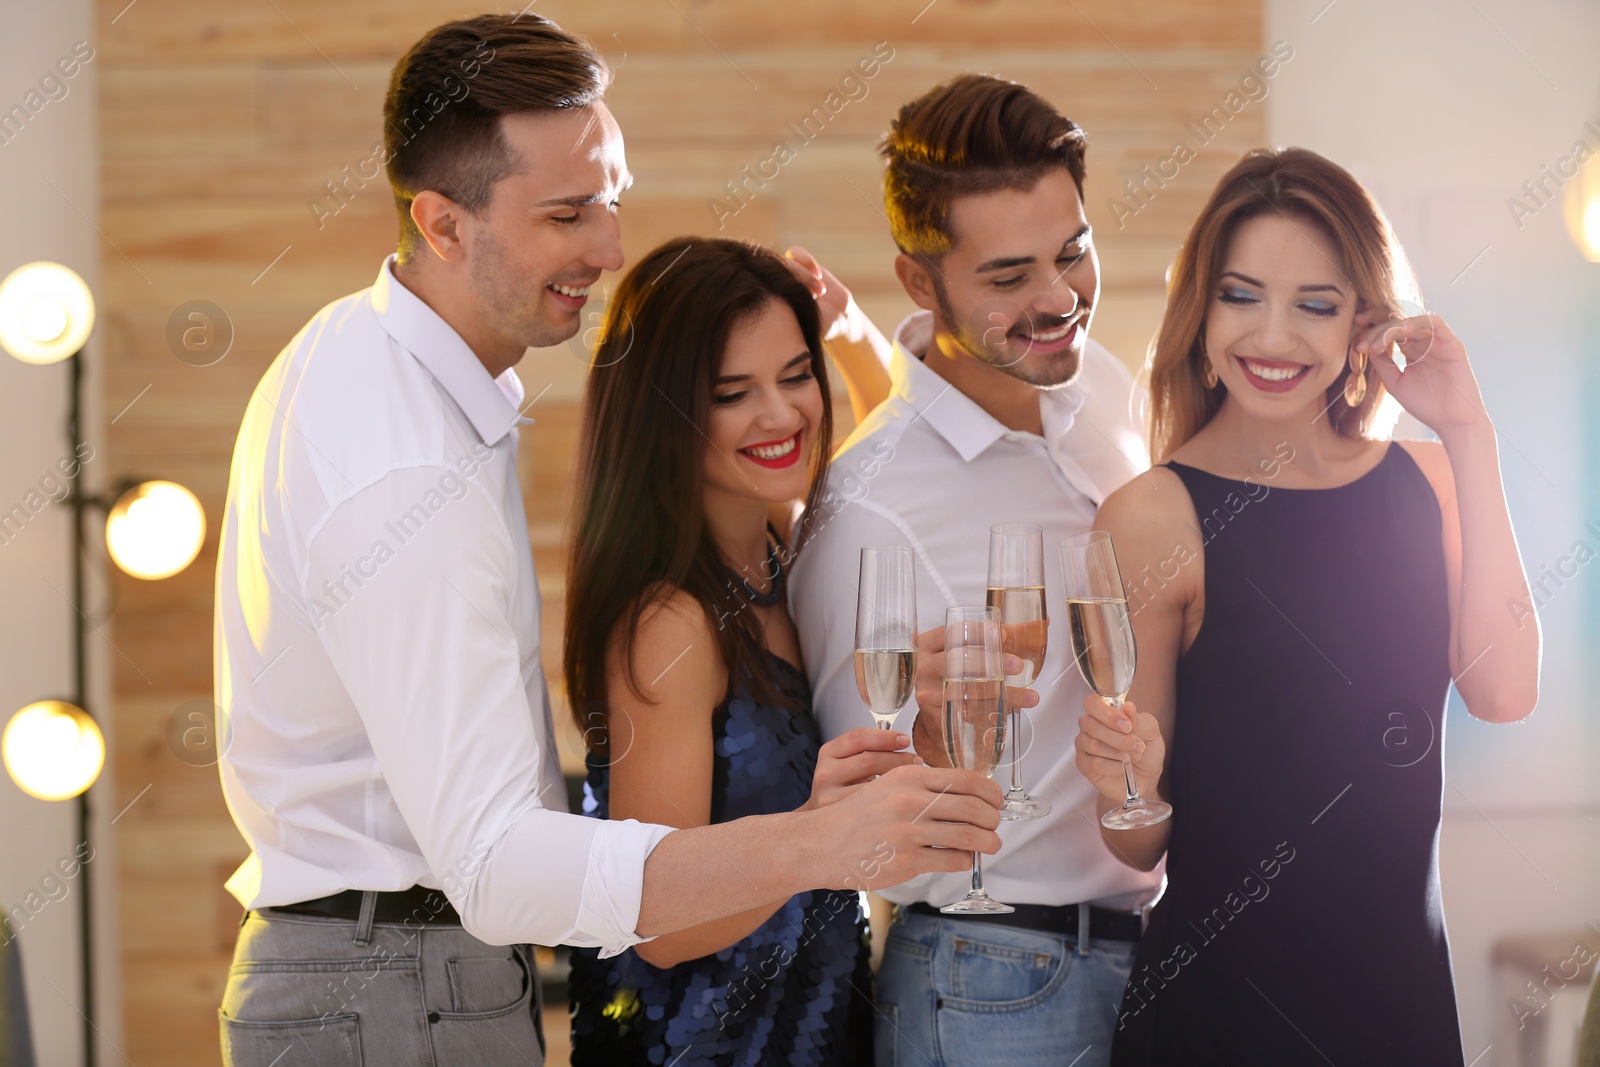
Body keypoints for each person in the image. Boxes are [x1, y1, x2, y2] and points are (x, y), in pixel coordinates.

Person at [211, 16, 1003, 1065]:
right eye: (567, 212)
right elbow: (493, 863)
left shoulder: (384, 369)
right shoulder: (403, 460)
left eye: (612, 198)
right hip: (392, 989)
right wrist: (818, 842)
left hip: (399, 973)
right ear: (443, 224)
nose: (609, 247)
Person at [1072, 147, 1542, 1065]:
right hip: (1220, 1014)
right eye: (1241, 296)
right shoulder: (1148, 516)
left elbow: (1505, 691)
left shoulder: (1435, 480)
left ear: (1364, 321)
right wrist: (1124, 783)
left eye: (1314, 305)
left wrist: (1470, 430)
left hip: (1399, 1003)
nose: (1272, 337)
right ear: (1200, 308)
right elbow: (1138, 846)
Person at [789, 74, 1162, 1067]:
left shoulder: (1107, 393)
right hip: (991, 973)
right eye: (1007, 277)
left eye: (1072, 253)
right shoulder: (865, 504)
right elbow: (853, 834)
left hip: (1153, 948)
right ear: (921, 282)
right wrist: (923, 743)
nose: (1056, 299)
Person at [562, 236, 912, 1064]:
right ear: (667, 411)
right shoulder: (669, 622)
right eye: (733, 392)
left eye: (796, 375)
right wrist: (823, 832)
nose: (783, 414)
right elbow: (657, 920)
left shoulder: (788, 550)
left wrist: (852, 330)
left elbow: (895, 444)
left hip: (821, 1029)